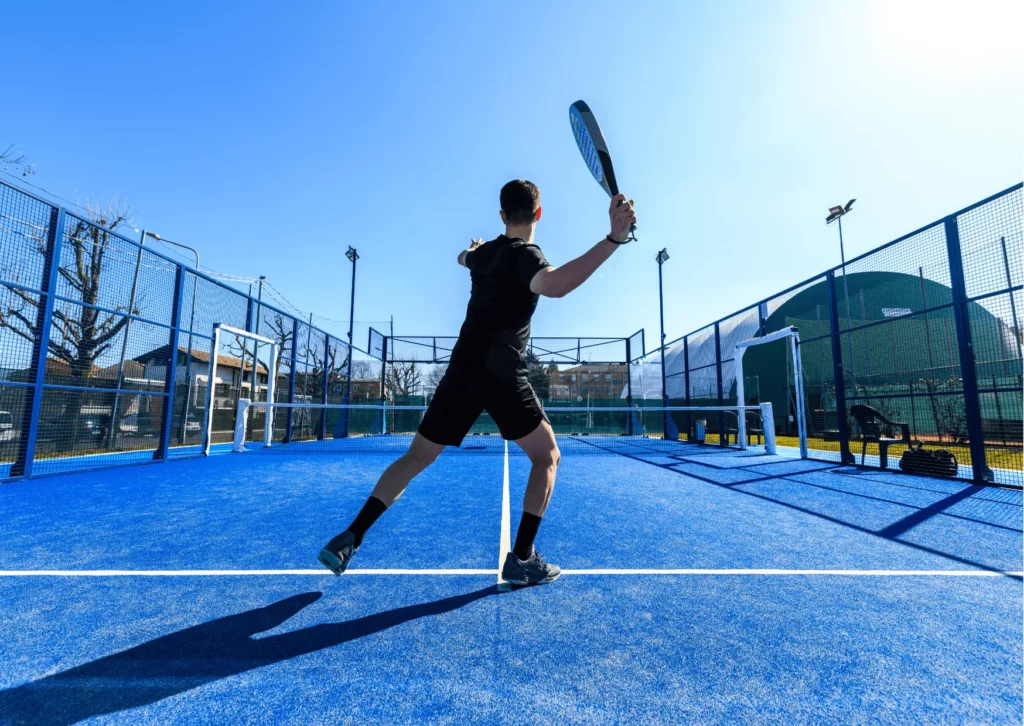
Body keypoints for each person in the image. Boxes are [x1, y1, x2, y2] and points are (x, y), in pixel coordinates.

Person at [318, 180, 637, 585]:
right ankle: (522, 558)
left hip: (462, 371)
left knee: (415, 458)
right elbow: (555, 285)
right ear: (538, 214)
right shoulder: (527, 256)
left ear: (503, 215)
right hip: (502, 374)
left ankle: (352, 535)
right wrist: (614, 238)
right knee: (547, 457)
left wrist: (473, 248)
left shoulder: (482, 255)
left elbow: (461, 257)